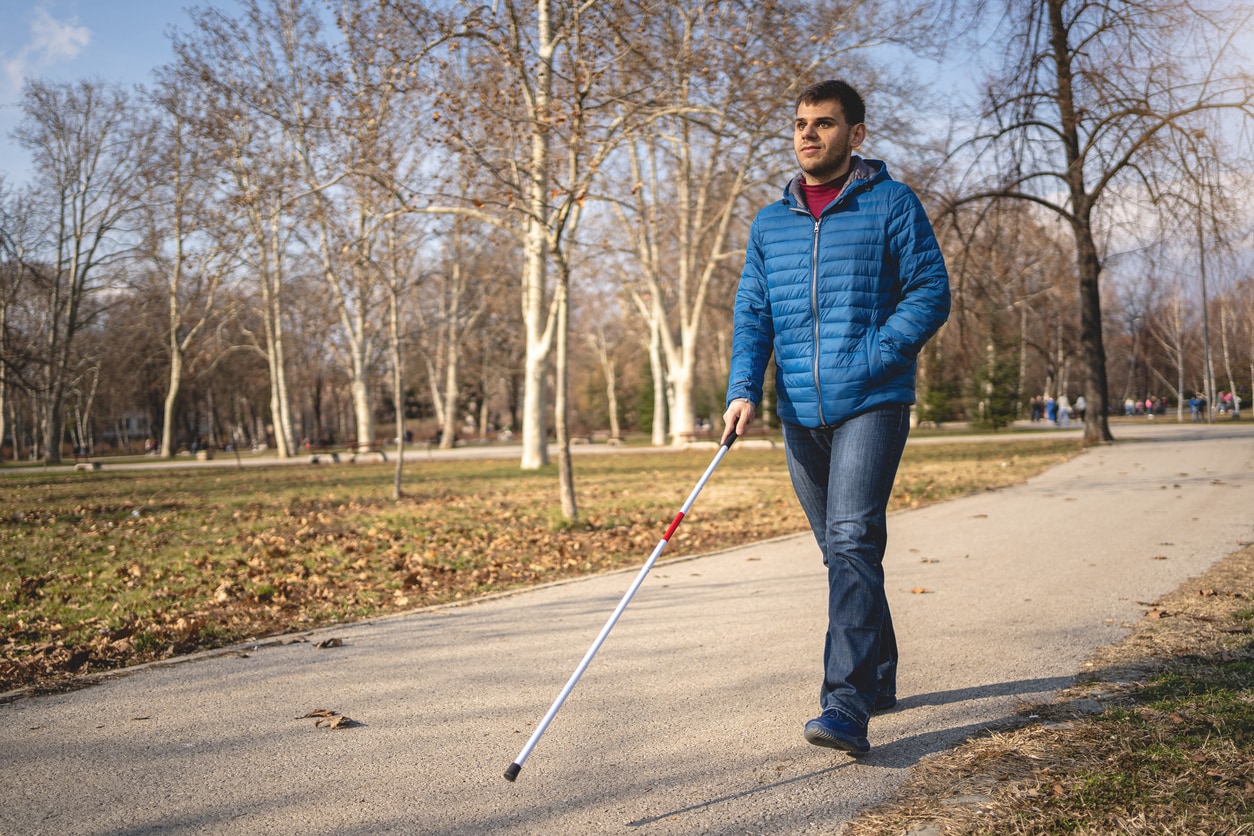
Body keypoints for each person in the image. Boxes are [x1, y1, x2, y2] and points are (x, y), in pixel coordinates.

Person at [722, 79, 951, 755]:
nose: (807, 135)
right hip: (799, 409)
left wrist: (878, 354)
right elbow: (753, 313)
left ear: (856, 134)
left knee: (851, 539)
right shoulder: (770, 222)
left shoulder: (890, 203)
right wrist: (744, 389)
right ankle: (877, 674)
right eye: (799, 124)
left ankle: (846, 706)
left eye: (823, 124)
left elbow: (930, 290)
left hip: (872, 401)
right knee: (840, 553)